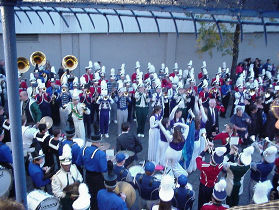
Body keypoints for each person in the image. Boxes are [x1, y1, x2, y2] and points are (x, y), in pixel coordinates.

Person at [76, 135, 107, 210]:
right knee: (99, 194)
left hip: (87, 175)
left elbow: (78, 162)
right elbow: (104, 169)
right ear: (99, 142)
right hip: (98, 177)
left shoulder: (84, 149)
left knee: (91, 193)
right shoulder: (101, 154)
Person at [52, 144, 83, 209]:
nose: (68, 167)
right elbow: (56, 192)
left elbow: (80, 177)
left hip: (77, 195)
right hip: (66, 200)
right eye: (65, 165)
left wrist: (78, 182)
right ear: (61, 165)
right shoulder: (56, 177)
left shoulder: (74, 167)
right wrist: (68, 196)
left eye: (69, 165)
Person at [196, 145, 226, 210]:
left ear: (211, 158)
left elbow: (198, 159)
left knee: (201, 203)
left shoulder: (204, 166)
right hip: (213, 186)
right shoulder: (220, 166)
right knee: (212, 202)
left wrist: (204, 150)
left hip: (204, 186)